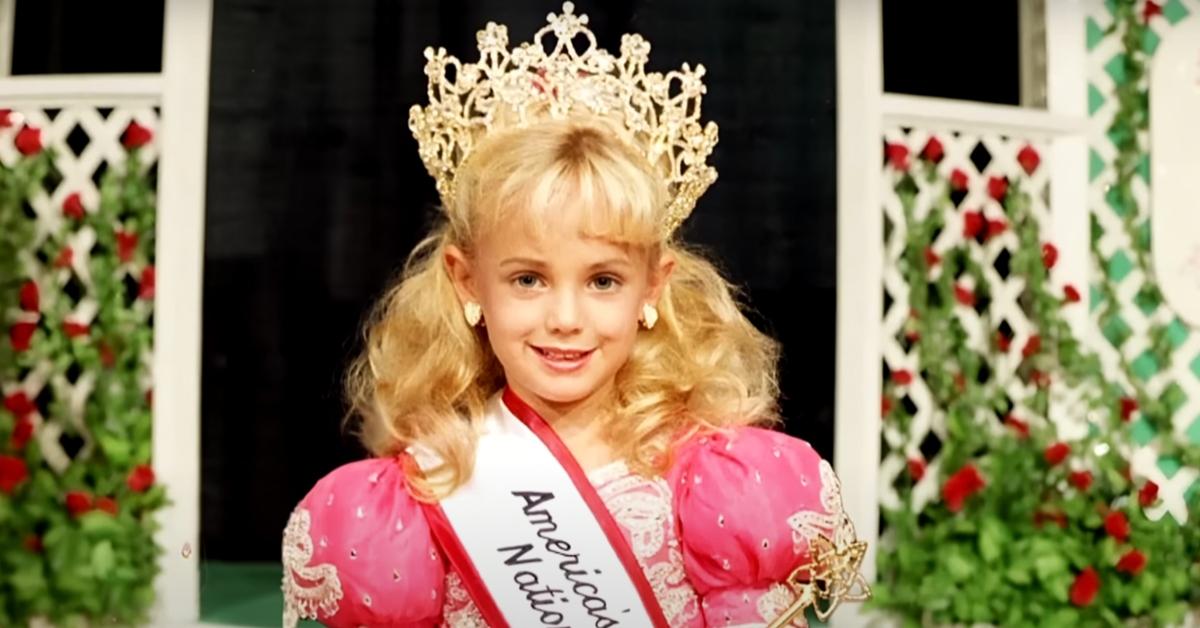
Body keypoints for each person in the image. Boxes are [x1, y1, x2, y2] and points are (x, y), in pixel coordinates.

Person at [281, 4, 868, 626]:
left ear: (652, 288)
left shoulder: (716, 487)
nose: (565, 317)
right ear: (466, 279)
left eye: (603, 280)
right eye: (528, 279)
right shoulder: (424, 492)